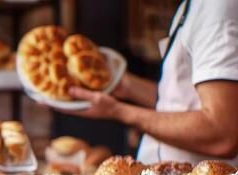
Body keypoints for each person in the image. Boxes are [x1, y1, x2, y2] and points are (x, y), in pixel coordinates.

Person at [59, 0, 238, 165]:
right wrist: (125, 85)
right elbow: (180, 102)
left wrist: (118, 111)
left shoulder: (217, 10)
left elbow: (222, 133)